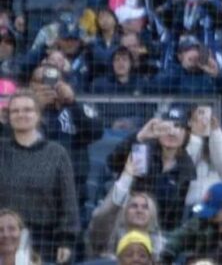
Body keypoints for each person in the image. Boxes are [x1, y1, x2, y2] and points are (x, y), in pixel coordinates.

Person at [0, 91, 78, 263]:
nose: (21, 114)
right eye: (15, 111)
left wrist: (66, 241)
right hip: (4, 239)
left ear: (38, 115)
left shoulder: (57, 153)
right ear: (9, 117)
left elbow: (68, 201)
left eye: (27, 110)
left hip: (45, 240)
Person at [108, 107, 197, 230]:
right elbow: (112, 163)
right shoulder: (142, 150)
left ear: (187, 134)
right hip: (127, 222)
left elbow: (176, 215)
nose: (172, 133)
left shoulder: (187, 168)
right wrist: (139, 136)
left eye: (179, 127)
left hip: (160, 230)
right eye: (166, 128)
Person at [28, 63, 104, 204]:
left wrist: (72, 103)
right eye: (41, 81)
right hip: (33, 192)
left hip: (73, 191)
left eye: (54, 81)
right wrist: (36, 108)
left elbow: (96, 132)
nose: (48, 86)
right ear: (31, 86)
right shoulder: (21, 111)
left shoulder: (76, 108)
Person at [160, 181, 222, 265]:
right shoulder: (202, 221)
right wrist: (166, 255)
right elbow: (179, 237)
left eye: (214, 212)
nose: (209, 216)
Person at [184, 104, 222, 210]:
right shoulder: (184, 141)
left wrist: (216, 132)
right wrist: (196, 136)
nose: (203, 121)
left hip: (217, 205)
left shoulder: (220, 139)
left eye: (206, 117)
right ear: (189, 122)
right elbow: (186, 165)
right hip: (191, 204)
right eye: (196, 119)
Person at [87, 188, 165, 259]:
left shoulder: (159, 248)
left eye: (145, 207)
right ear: (125, 212)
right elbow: (102, 216)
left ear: (152, 214)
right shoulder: (110, 237)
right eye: (134, 206)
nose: (139, 211)